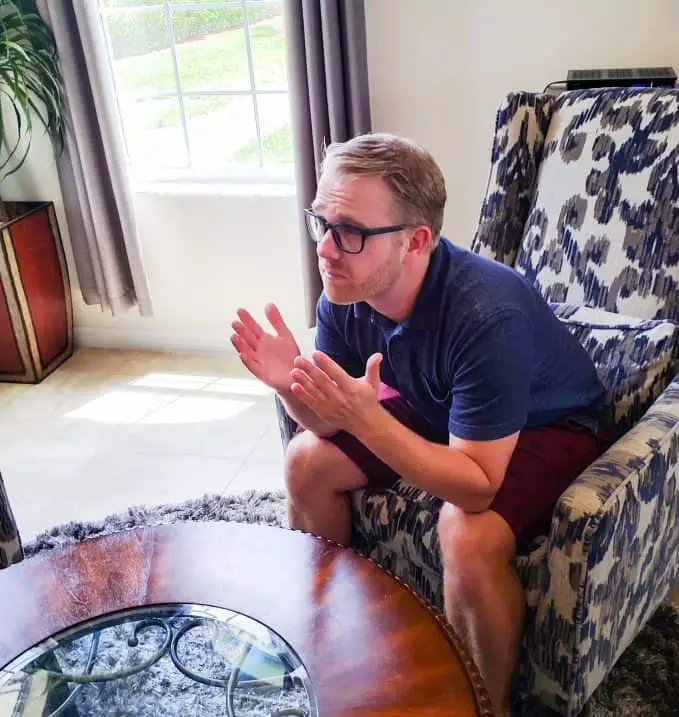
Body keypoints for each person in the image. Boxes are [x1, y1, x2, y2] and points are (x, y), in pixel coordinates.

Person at [230, 132, 606, 715]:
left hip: (547, 422)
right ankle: (324, 633)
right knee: (305, 462)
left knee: (468, 535)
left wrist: (366, 418)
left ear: (416, 241)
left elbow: (476, 487)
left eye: (350, 232)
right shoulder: (346, 293)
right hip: (439, 402)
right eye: (321, 223)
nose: (326, 250)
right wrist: (291, 387)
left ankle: (481, 703)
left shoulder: (486, 313)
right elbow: (327, 428)